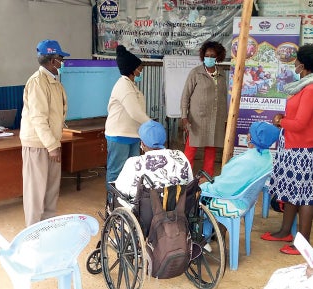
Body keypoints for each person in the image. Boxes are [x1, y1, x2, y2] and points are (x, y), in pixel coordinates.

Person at [261, 44, 313, 255]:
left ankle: (303, 244)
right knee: (292, 193)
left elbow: (300, 123)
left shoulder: (310, 90)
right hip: (292, 148)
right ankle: (285, 231)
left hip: (303, 151)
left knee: (306, 197)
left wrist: (281, 122)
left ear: (303, 64)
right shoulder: (304, 86)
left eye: (297, 60)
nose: (295, 64)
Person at [20, 39, 69, 227]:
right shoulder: (37, 82)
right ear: (52, 60)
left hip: (51, 144)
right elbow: (39, 118)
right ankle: (32, 233)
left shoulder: (53, 81)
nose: (62, 62)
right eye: (60, 58)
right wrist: (52, 146)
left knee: (50, 190)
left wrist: (54, 144)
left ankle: (46, 228)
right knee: (35, 192)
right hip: (38, 145)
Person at [200, 122, 280, 213]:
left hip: (234, 202)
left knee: (192, 196)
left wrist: (205, 186)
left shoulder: (248, 161)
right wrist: (213, 181)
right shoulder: (266, 156)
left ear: (253, 138)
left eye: (250, 133)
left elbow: (224, 189)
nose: (247, 135)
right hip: (247, 200)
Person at [104, 45, 150, 186]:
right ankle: (111, 203)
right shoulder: (123, 86)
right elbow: (135, 112)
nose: (141, 71)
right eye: (140, 68)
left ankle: (125, 200)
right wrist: (152, 125)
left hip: (133, 135)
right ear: (133, 70)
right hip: (119, 135)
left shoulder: (131, 85)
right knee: (116, 171)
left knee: (132, 171)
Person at [180, 40, 227, 177]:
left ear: (218, 57)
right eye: (207, 55)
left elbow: (224, 97)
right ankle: (185, 177)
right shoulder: (196, 73)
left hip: (215, 118)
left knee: (211, 149)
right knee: (191, 148)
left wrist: (225, 119)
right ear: (203, 56)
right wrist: (184, 116)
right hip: (197, 119)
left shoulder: (222, 74)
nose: (209, 58)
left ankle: (207, 177)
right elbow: (185, 96)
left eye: (212, 55)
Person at [115, 120, 193, 198]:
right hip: (178, 205)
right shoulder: (179, 155)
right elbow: (190, 182)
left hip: (146, 208)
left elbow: (121, 187)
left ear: (143, 144)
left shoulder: (135, 162)